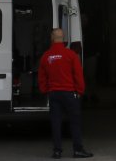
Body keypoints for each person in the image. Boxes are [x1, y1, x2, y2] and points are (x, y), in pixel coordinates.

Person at [38, 28, 92, 159]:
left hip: (54, 94)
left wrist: (45, 90)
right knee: (75, 122)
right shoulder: (71, 55)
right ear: (63, 38)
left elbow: (42, 77)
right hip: (69, 93)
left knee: (56, 122)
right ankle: (77, 150)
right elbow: (78, 75)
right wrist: (80, 91)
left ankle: (57, 151)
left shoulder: (46, 56)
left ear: (52, 37)